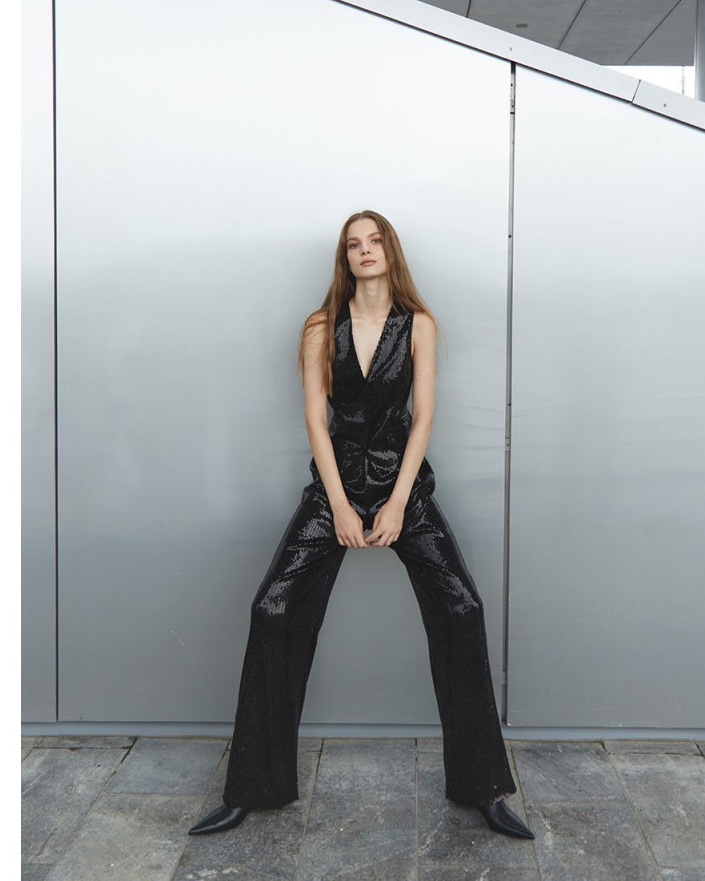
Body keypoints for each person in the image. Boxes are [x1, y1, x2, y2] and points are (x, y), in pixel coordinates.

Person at [189, 210, 533, 840]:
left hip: (404, 486)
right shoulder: (320, 327)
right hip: (336, 488)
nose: (365, 251)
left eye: (375, 241)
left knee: (462, 609)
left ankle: (483, 787)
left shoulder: (419, 325)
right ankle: (251, 789)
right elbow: (315, 422)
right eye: (354, 244)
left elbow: (423, 418)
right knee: (273, 609)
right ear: (344, 258)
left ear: (390, 252)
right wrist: (342, 506)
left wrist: (397, 504)